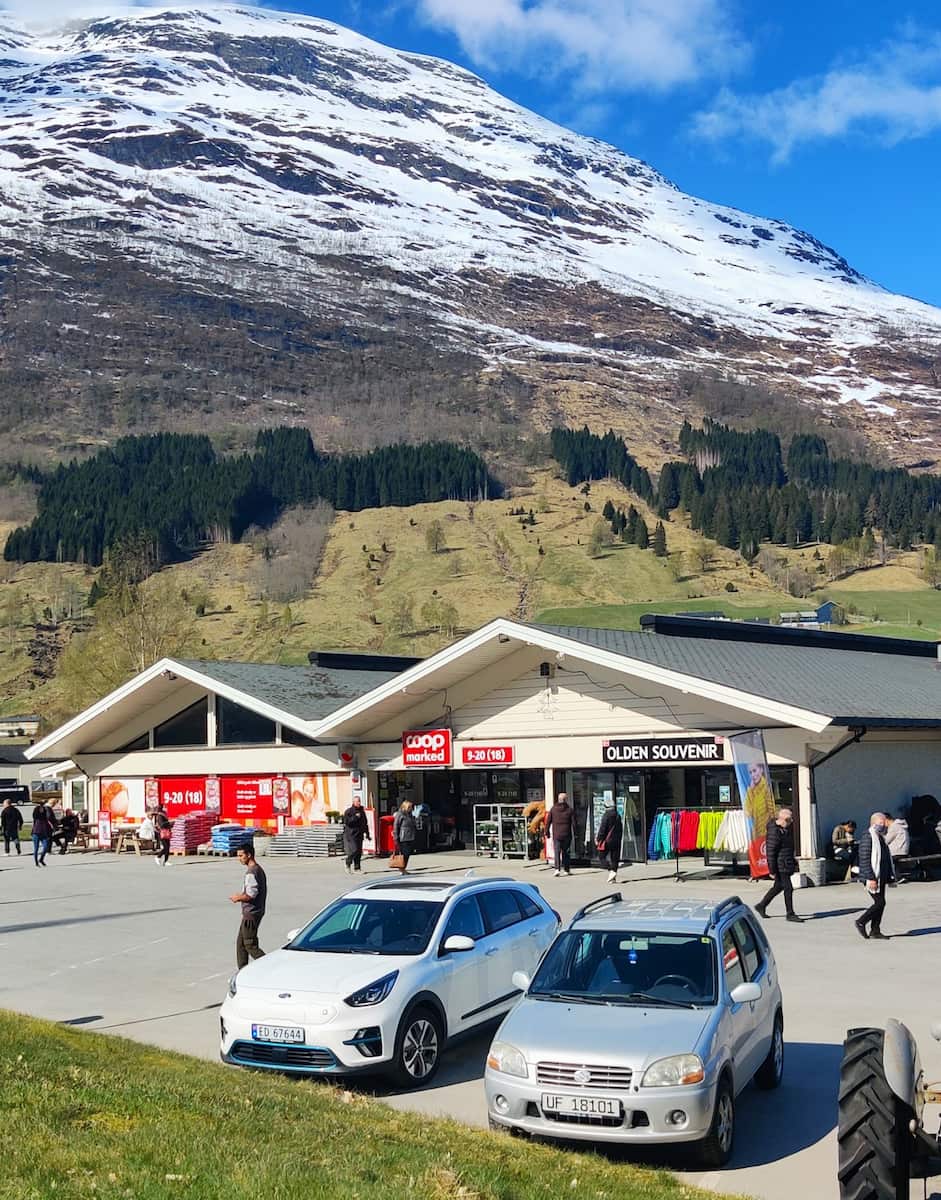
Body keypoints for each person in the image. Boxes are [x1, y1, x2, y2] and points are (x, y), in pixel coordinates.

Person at [754, 807, 802, 923]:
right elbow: (771, 852)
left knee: (778, 887)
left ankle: (761, 905)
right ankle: (790, 913)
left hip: (786, 862)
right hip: (781, 864)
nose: (791, 823)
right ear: (783, 819)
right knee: (788, 888)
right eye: (789, 820)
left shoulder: (784, 829)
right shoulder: (774, 831)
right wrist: (772, 870)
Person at [855, 813, 894, 940]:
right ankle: (861, 921)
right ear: (873, 823)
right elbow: (865, 858)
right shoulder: (868, 836)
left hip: (881, 876)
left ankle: (875, 930)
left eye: (884, 823)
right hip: (872, 876)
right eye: (881, 823)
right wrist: (870, 878)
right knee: (880, 902)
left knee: (881, 903)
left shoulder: (881, 837)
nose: (883, 826)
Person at [229, 843, 267, 969]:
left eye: (241, 855)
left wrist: (238, 897)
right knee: (241, 944)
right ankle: (242, 969)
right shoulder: (258, 869)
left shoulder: (252, 873)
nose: (239, 858)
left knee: (250, 945)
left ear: (249, 855)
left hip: (251, 914)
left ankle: (268, 965)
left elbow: (250, 895)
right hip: (252, 912)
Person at [545, 792, 575, 877]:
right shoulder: (569, 809)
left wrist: (546, 832)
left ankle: (557, 869)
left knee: (557, 851)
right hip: (566, 834)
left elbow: (548, 822)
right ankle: (566, 869)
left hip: (557, 834)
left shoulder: (553, 809)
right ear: (566, 800)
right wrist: (576, 834)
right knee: (566, 852)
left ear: (558, 800)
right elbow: (574, 823)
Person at [595, 798, 622, 884]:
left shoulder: (606, 815)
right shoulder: (618, 815)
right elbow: (620, 828)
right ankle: (613, 877)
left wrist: (599, 839)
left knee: (601, 856)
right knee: (615, 858)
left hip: (607, 840)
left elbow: (603, 829)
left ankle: (611, 870)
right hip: (616, 840)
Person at [342, 795, 370, 874]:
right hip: (351, 834)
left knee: (359, 852)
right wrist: (355, 817)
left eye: (359, 801)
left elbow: (365, 823)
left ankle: (357, 868)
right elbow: (347, 822)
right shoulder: (349, 811)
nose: (358, 803)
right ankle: (348, 863)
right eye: (357, 801)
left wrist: (367, 834)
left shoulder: (362, 811)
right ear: (353, 802)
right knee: (354, 850)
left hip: (359, 834)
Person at [393, 799, 417, 875]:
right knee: (404, 853)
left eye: (411, 807)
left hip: (410, 836)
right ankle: (401, 868)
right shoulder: (400, 814)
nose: (411, 808)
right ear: (405, 807)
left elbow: (413, 823)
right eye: (409, 807)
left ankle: (403, 868)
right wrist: (396, 837)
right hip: (403, 837)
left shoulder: (410, 814)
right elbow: (396, 826)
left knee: (408, 853)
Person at [31, 798, 57, 867]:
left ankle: (41, 859)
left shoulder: (46, 811)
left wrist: (53, 827)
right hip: (36, 832)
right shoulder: (36, 815)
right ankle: (36, 862)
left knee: (45, 847)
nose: (42, 808)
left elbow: (49, 817)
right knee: (36, 848)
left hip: (44, 832)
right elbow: (34, 815)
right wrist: (39, 807)